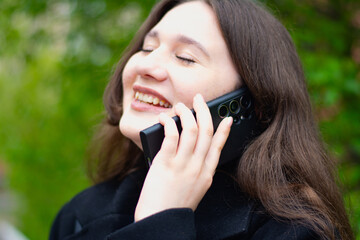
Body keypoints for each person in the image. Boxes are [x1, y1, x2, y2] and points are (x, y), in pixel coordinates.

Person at [49, 0, 354, 239]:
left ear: (249, 106)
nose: (148, 65)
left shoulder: (294, 232)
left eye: (185, 57)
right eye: (147, 47)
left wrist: (160, 222)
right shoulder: (77, 216)